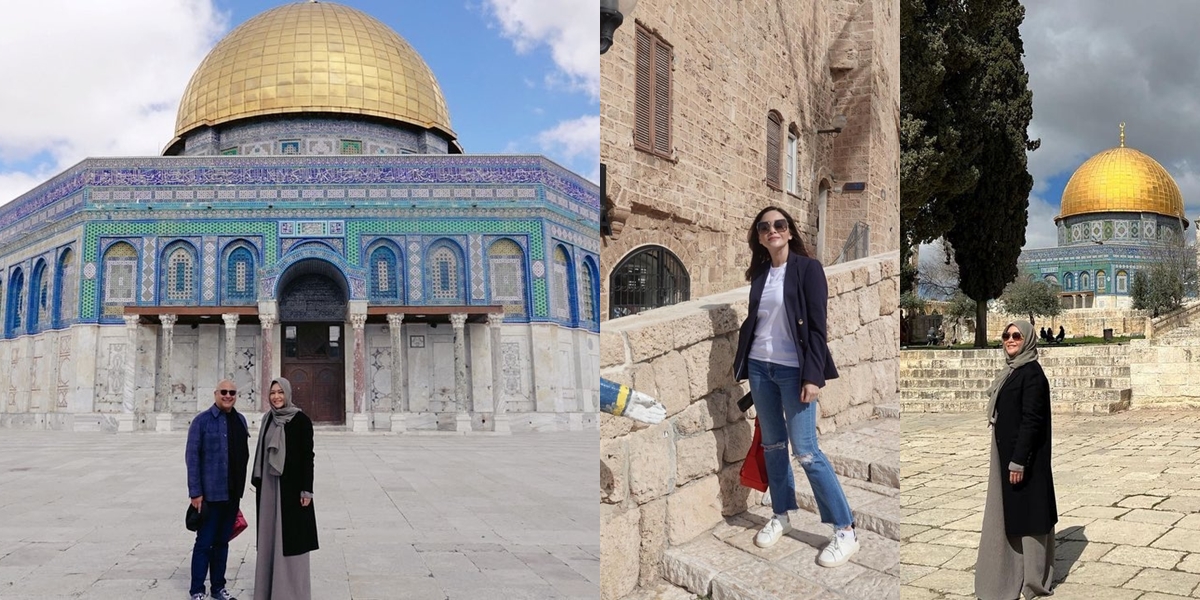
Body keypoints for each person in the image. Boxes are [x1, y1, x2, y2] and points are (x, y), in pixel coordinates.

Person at [731, 206, 858, 567]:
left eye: (779, 225)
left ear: (789, 232)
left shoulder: (807, 269)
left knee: (806, 451)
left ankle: (845, 529)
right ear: (759, 236)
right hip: (760, 368)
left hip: (793, 371)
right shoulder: (759, 274)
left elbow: (818, 328)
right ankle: (781, 514)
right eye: (765, 227)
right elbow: (757, 322)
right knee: (773, 446)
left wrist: (813, 376)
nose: (773, 230)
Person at [975, 321, 1057, 599]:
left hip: (1024, 460)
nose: (1010, 340)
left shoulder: (1032, 374)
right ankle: (1013, 572)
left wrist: (1019, 461)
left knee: (1030, 515)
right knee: (1015, 513)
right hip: (1008, 453)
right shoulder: (1013, 371)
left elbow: (1032, 421)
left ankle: (1033, 580)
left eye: (1017, 336)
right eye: (1006, 336)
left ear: (1028, 340)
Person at [252, 377, 318, 599]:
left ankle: (291, 592)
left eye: (280, 392)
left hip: (292, 489)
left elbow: (307, 457)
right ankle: (267, 589)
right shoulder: (267, 419)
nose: (276, 397)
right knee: (269, 537)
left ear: (288, 394)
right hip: (270, 487)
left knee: (292, 538)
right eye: (273, 393)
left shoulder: (301, 421)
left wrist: (306, 490)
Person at [185, 380, 250, 600]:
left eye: (232, 392)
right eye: (224, 392)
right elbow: (192, 458)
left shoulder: (240, 420)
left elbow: (243, 456)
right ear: (215, 394)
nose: (228, 395)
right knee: (204, 543)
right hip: (210, 495)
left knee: (222, 542)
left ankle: (218, 588)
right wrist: (196, 493)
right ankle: (197, 590)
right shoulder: (201, 422)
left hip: (231, 495)